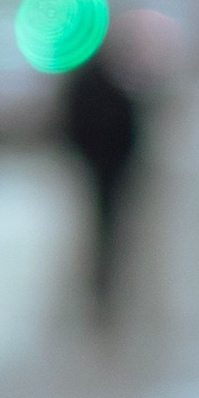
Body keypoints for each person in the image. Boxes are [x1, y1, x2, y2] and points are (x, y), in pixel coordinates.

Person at [59, 36, 147, 329]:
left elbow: (69, 125)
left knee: (101, 226)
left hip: (99, 166)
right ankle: (102, 285)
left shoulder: (86, 83)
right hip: (109, 167)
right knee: (107, 228)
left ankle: (100, 284)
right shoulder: (112, 84)